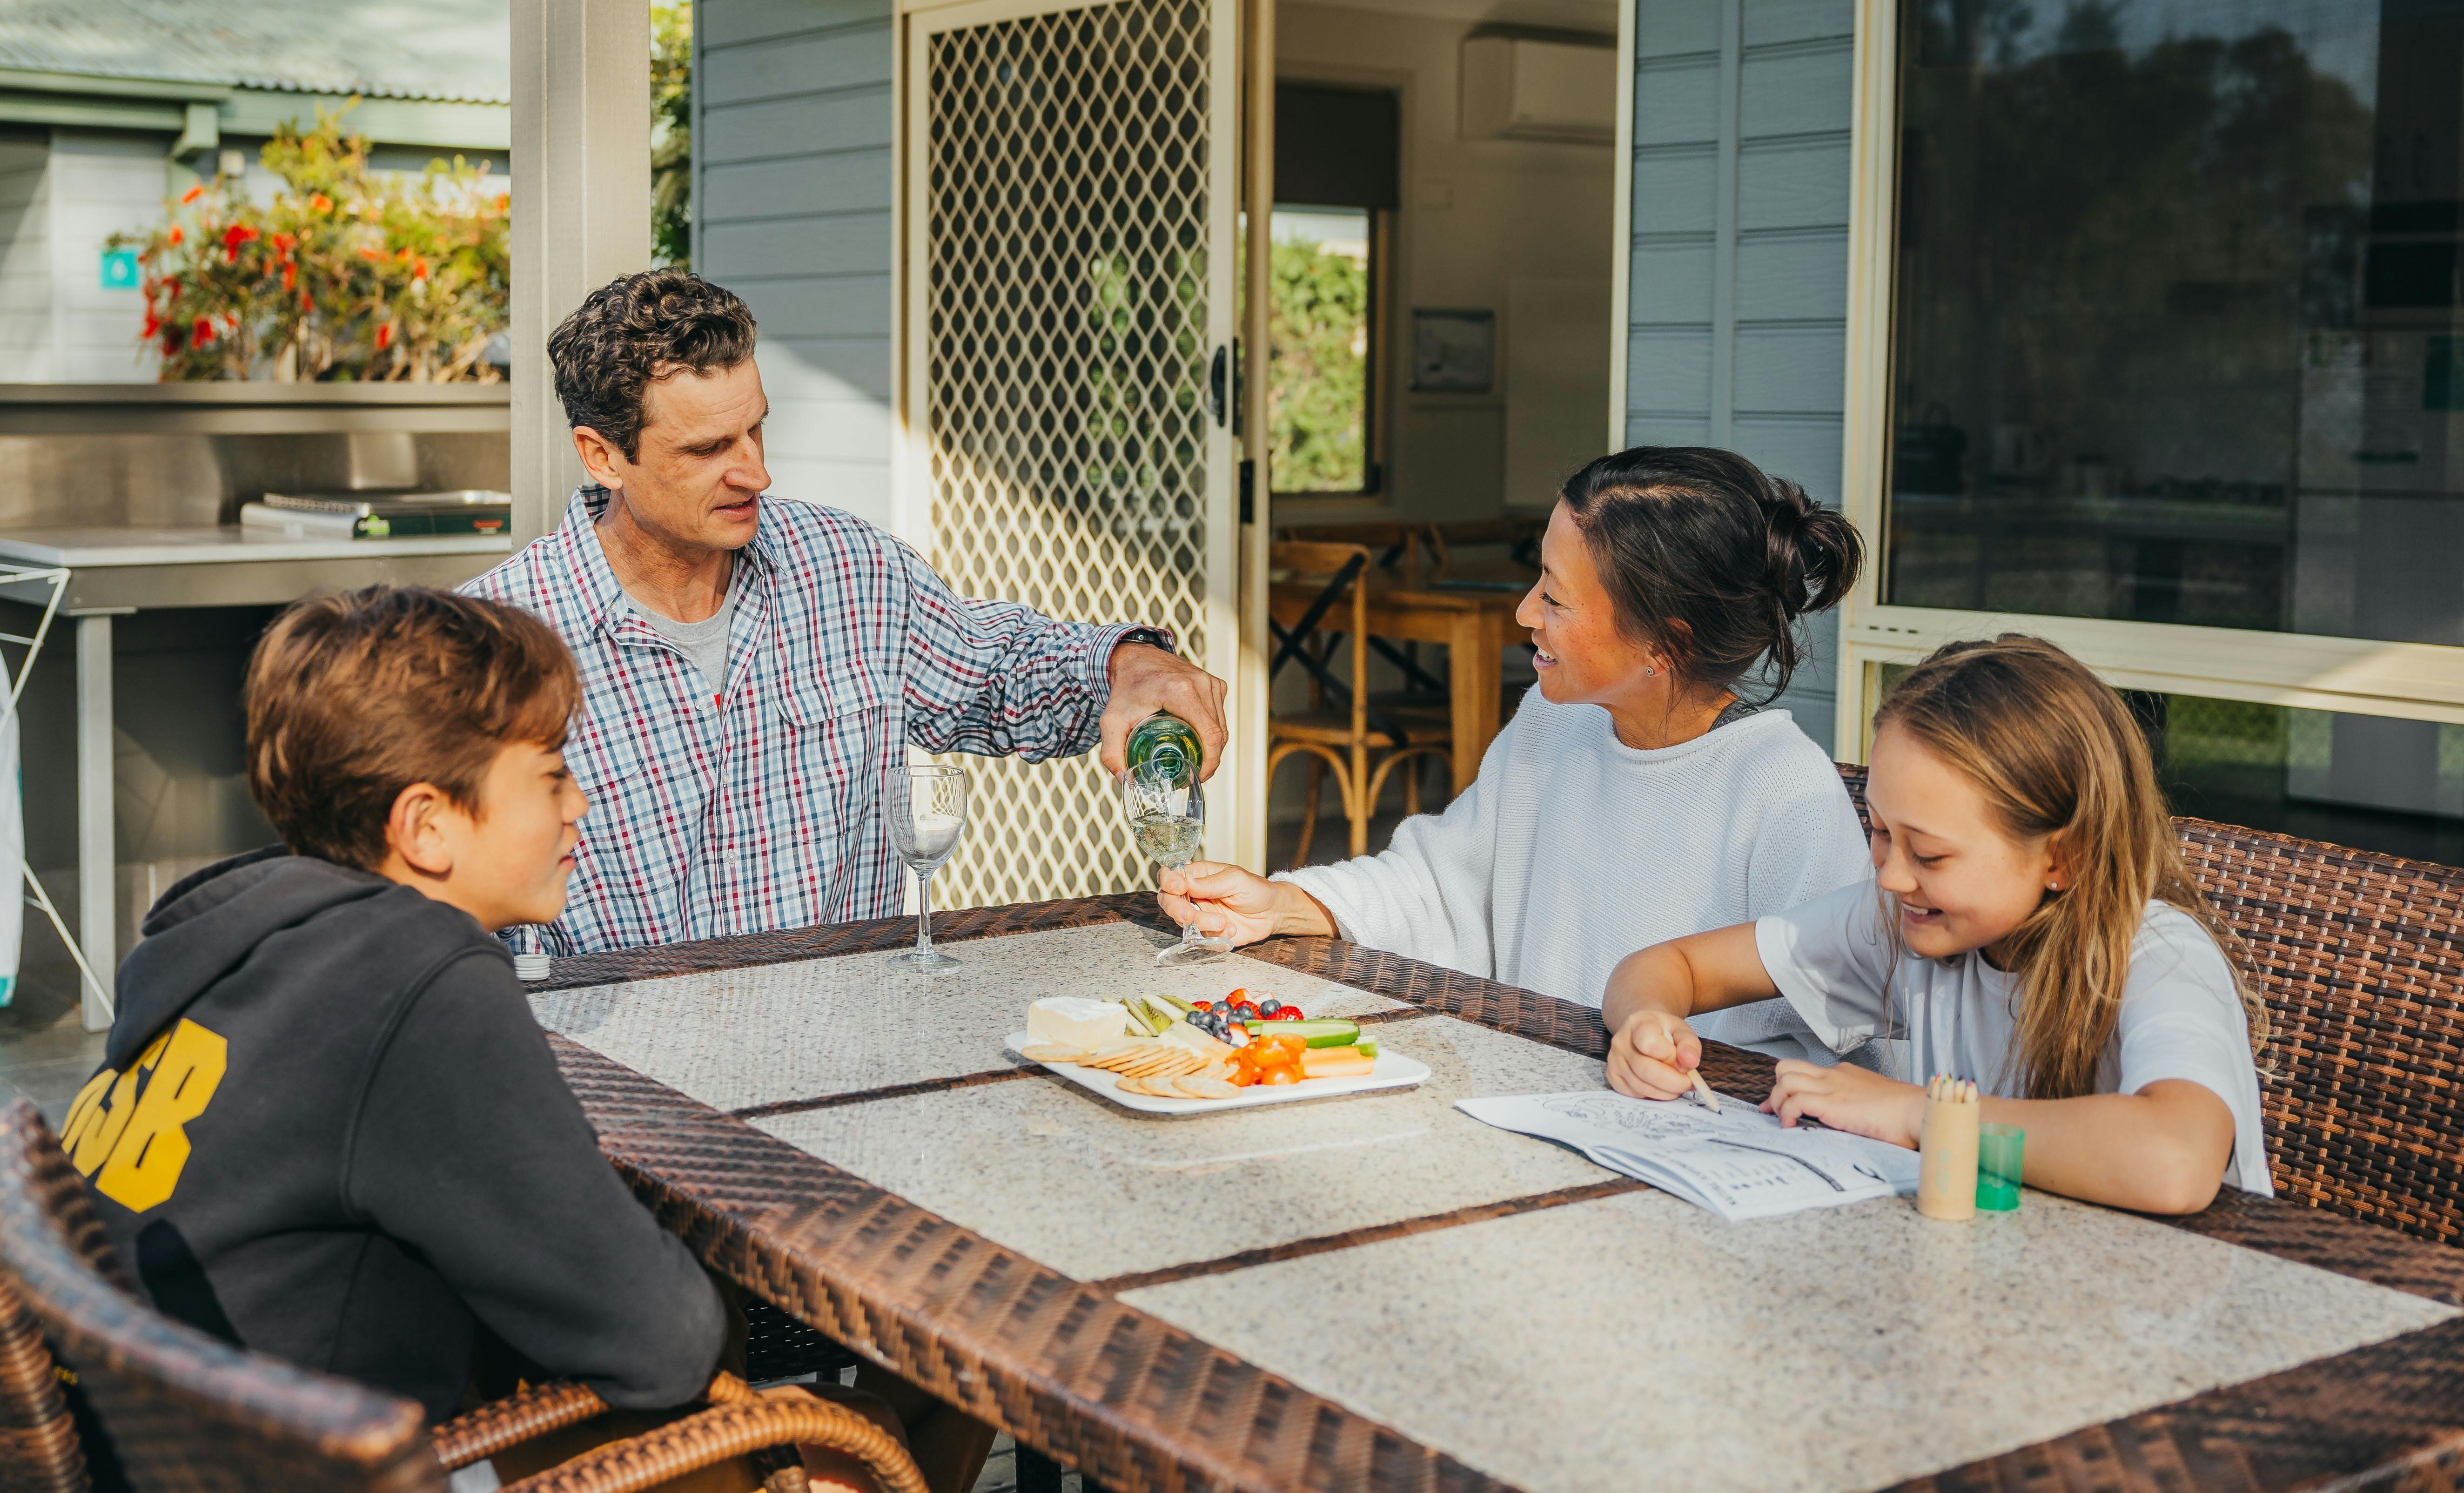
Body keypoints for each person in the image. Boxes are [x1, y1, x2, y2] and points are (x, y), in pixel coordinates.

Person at [58, 588, 974, 1491]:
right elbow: (663, 1342)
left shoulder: (247, 938)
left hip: (176, 1447)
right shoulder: (417, 976)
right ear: (426, 826)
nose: (581, 802)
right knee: (878, 1425)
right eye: (550, 773)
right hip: (338, 1465)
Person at [467, 269, 1229, 954]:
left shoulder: (854, 571)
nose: (757, 472)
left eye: (756, 428)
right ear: (603, 455)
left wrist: (1130, 663)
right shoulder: (488, 647)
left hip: (848, 1050)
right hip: (625, 1081)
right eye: (708, 449)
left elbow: (1008, 671)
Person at [1158, 446, 1871, 1052]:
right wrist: (1283, 903)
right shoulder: (1555, 725)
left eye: (1555, 598)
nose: (1525, 611)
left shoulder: (1785, 793)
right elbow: (1442, 887)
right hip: (1533, 1104)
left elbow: (1848, 1046)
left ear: (1665, 643)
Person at [1602, 634, 2270, 1213]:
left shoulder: (2158, 955)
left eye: (1930, 853)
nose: (1891, 875)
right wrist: (1646, 1023)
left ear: (2062, 856)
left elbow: (2176, 1160)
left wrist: (1917, 1112)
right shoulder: (1905, 919)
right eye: (1881, 830)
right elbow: (1669, 967)